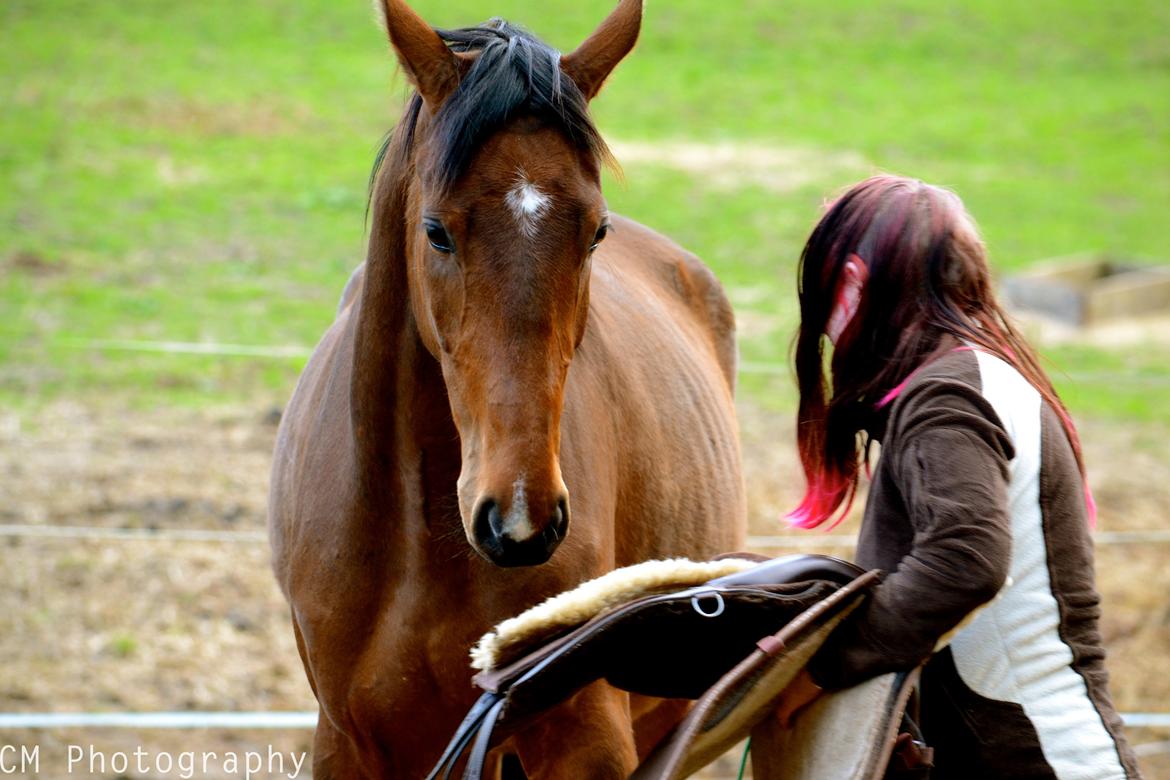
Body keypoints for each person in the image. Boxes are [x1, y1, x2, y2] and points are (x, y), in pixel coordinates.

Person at [772, 175, 1141, 778]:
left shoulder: (946, 393)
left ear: (854, 280)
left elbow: (964, 559)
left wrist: (824, 670)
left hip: (1026, 761)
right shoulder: (967, 375)